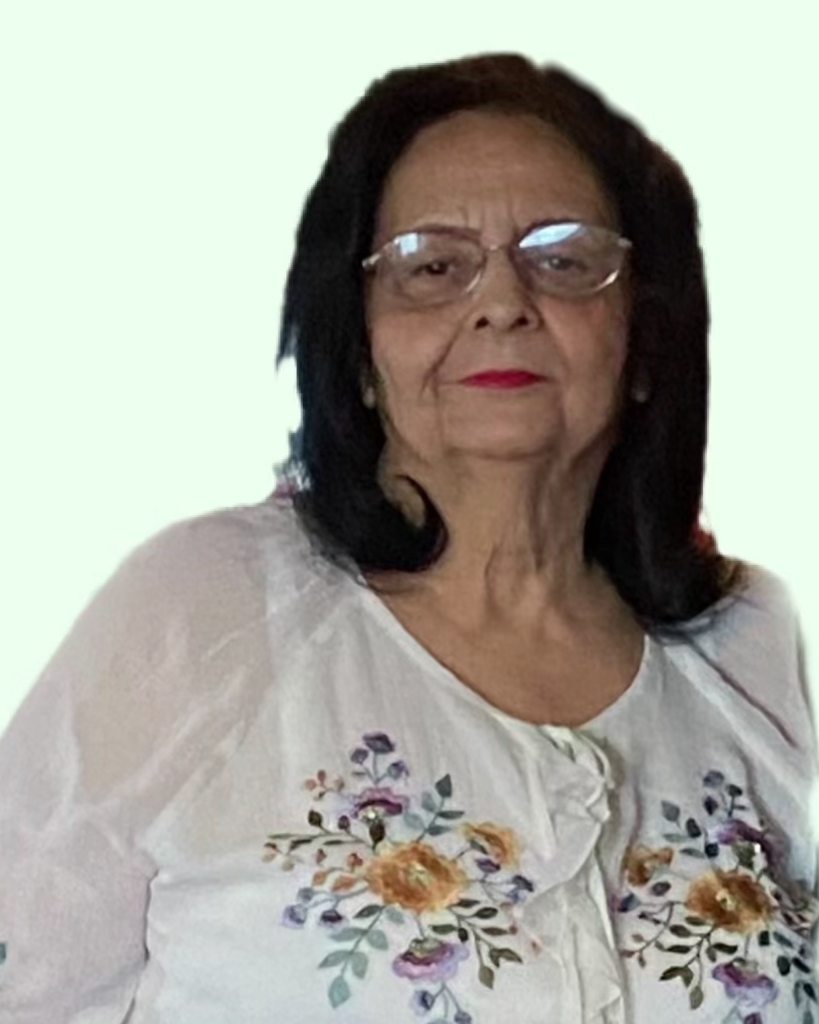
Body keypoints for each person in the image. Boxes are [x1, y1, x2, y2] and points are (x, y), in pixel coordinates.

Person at [0, 53, 815, 1024]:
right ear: (359, 353)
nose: (502, 301)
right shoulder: (203, 611)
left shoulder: (757, 650)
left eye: (563, 259)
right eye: (433, 265)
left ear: (643, 341)